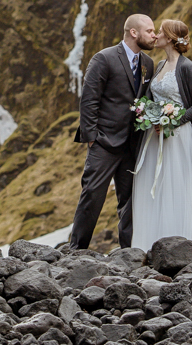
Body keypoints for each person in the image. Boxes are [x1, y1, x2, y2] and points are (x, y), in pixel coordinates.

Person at [130, 17, 192, 249]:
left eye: (160, 32)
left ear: (170, 38)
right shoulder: (160, 65)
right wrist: (149, 114)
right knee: (158, 187)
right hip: (155, 136)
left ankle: (186, 241)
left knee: (179, 185)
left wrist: (173, 121)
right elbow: (152, 98)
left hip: (179, 137)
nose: (156, 36)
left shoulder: (188, 68)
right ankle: (155, 242)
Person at [69, 13, 158, 250]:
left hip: (133, 144)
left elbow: (144, 100)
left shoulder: (148, 64)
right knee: (92, 195)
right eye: (150, 31)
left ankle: (128, 252)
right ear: (133, 33)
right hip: (104, 143)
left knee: (130, 201)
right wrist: (92, 139)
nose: (154, 35)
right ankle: (76, 249)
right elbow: (89, 100)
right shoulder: (104, 58)